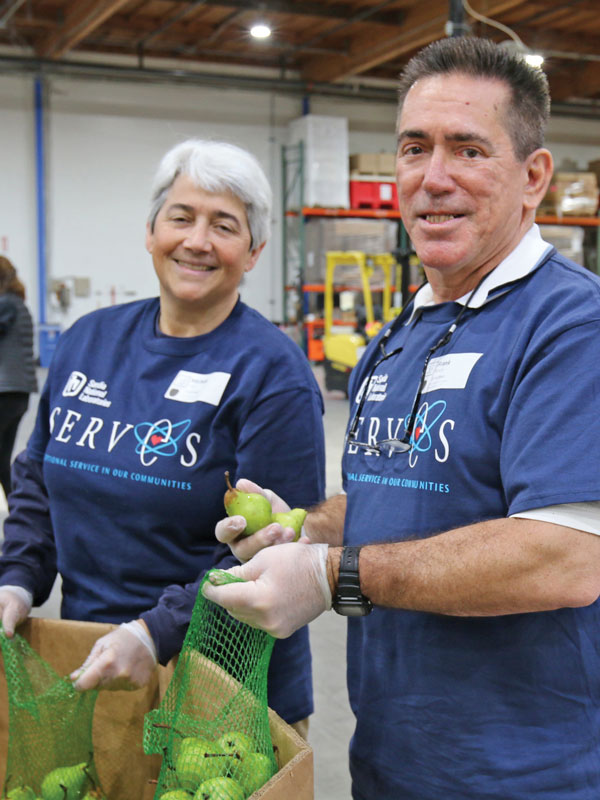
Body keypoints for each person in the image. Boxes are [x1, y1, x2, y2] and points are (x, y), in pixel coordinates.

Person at [203, 36, 600, 799]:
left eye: (469, 149)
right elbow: (408, 492)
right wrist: (307, 529)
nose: (433, 178)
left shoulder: (568, 327)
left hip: (527, 775)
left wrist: (329, 578)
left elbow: (565, 554)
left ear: (534, 178)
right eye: (415, 148)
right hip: (393, 760)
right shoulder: (396, 335)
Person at [0, 139, 326, 735]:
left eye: (224, 225)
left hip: (227, 690)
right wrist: (16, 579)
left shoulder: (271, 373)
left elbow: (273, 556)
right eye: (181, 217)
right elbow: (38, 482)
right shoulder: (87, 342)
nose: (197, 240)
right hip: (93, 660)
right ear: (151, 231)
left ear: (252, 252)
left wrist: (155, 631)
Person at [0, 257, 38, 500]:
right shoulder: (17, 303)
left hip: (5, 391)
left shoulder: (5, 304)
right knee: (2, 458)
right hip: (17, 393)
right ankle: (20, 510)